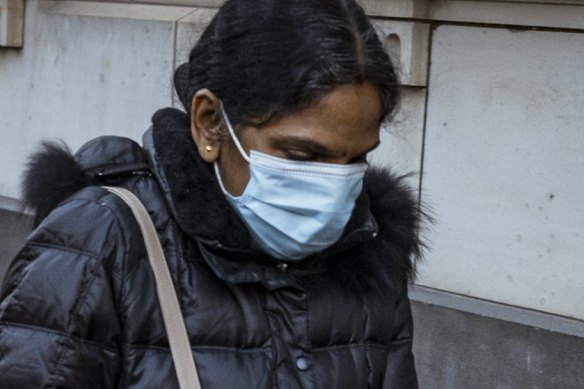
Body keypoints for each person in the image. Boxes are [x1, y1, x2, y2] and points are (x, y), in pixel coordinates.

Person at [0, 0, 426, 387]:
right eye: (301, 154)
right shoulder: (101, 243)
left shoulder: (370, 250)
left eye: (354, 161)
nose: (333, 192)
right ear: (209, 124)